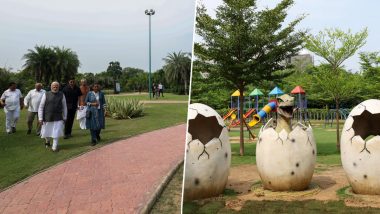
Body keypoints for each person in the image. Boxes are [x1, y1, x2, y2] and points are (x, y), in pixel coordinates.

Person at [38, 82, 67, 152]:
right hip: (47, 116)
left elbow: (64, 106)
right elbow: (41, 107)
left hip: (58, 117)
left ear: (58, 87)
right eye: (54, 86)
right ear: (51, 87)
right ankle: (47, 141)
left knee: (56, 132)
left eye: (57, 86)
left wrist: (65, 116)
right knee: (46, 131)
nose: (55, 87)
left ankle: (54, 147)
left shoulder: (62, 94)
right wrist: (40, 118)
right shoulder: (46, 94)